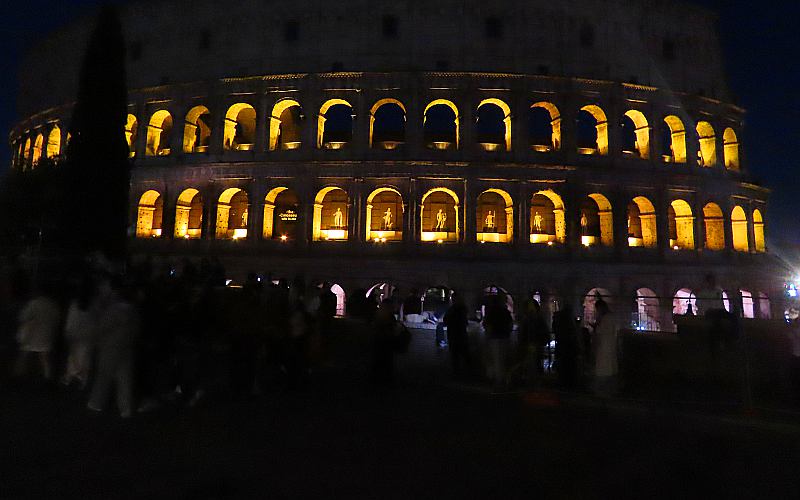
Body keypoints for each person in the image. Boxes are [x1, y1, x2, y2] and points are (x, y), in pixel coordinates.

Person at [87, 276, 140, 418]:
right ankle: (125, 408)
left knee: (103, 376)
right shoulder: (134, 311)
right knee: (124, 378)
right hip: (127, 347)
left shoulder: (113, 310)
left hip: (110, 347)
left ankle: (96, 403)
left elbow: (101, 328)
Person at [13, 284, 61, 382]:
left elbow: (23, 317)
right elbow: (57, 321)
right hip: (46, 336)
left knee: (23, 357)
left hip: (31, 336)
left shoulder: (34, 304)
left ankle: (18, 377)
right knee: (44, 359)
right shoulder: (53, 305)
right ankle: (47, 378)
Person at [62, 277, 96, 388]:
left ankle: (69, 377)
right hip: (88, 334)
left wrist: (67, 332)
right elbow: (95, 320)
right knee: (86, 358)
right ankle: (82, 379)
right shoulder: (94, 304)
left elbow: (71, 319)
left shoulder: (75, 304)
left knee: (73, 356)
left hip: (75, 333)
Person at [483, 295, 513, 389]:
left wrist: (488, 336)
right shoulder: (505, 312)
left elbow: (487, 325)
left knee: (496, 359)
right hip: (505, 337)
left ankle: (498, 380)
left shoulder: (491, 312)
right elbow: (510, 325)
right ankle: (504, 379)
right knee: (503, 358)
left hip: (494, 338)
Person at [592, 299, 618, 397]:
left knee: (603, 371)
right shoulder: (611, 317)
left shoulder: (604, 319)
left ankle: (602, 393)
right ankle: (608, 391)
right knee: (609, 369)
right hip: (610, 346)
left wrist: (596, 326)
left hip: (604, 347)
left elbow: (599, 332)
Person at [371, 299, 398, 387]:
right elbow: (392, 328)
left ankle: (376, 380)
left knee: (378, 361)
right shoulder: (390, 316)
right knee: (386, 361)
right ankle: (385, 381)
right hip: (386, 342)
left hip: (378, 341)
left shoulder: (377, 315)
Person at [552, 302, 579, 390]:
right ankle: (568, 384)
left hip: (562, 345)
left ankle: (564, 384)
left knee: (563, 366)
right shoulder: (567, 319)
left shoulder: (558, 317)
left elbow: (555, 329)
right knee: (568, 366)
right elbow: (572, 332)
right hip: (568, 346)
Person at [444, 293, 469, 377]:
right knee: (464, 353)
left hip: (453, 334)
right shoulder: (463, 309)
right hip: (461, 334)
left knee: (455, 355)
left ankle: (457, 372)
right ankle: (468, 371)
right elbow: (465, 322)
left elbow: (446, 320)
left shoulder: (452, 309)